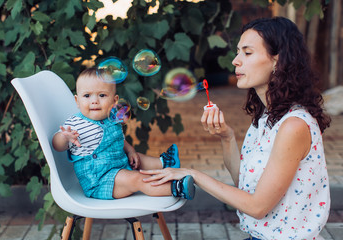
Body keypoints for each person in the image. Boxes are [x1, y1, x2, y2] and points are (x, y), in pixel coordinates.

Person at [141, 17, 331, 240]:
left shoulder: (294, 126)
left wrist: (193, 174)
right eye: (238, 52)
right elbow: (244, 185)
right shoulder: (266, 118)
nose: (235, 61)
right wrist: (227, 137)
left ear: (278, 61)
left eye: (247, 53)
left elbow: (257, 206)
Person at [52, 67, 195, 200]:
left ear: (114, 101)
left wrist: (131, 150)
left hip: (120, 165)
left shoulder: (111, 117)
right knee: (137, 179)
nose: (94, 101)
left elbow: (117, 139)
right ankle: (175, 188)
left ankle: (164, 164)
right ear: (77, 100)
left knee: (137, 158)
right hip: (101, 182)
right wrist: (65, 138)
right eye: (87, 95)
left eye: (102, 95)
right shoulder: (75, 124)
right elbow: (56, 145)